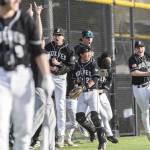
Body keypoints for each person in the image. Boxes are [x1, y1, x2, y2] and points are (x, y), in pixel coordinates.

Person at [0, 0, 54, 150]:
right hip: (2, 76)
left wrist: (47, 76)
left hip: (22, 77)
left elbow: (38, 49)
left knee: (23, 130)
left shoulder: (24, 20)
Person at [45, 27, 75, 148]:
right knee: (45, 104)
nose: (56, 36)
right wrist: (50, 68)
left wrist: (59, 66)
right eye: (55, 34)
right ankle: (45, 135)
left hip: (61, 79)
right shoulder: (48, 47)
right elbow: (42, 60)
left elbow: (71, 66)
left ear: (63, 37)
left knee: (60, 107)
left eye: (59, 35)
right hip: (48, 76)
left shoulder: (68, 49)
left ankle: (61, 136)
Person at [72, 46, 107, 150]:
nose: (89, 54)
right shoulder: (76, 65)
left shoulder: (93, 63)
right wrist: (77, 85)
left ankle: (102, 141)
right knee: (79, 118)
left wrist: (84, 86)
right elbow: (74, 79)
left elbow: (95, 78)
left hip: (92, 92)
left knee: (95, 117)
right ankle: (92, 131)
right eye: (86, 53)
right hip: (82, 94)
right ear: (81, 54)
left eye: (89, 52)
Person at [128, 40, 150, 141]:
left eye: (141, 47)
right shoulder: (133, 59)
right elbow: (134, 73)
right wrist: (147, 73)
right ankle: (148, 132)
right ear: (135, 49)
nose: (140, 49)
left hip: (148, 85)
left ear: (144, 48)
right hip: (139, 88)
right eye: (138, 47)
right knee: (145, 111)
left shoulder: (147, 56)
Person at [97, 52, 118, 144]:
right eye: (106, 61)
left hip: (102, 95)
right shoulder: (95, 68)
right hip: (93, 96)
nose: (109, 63)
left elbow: (106, 86)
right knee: (104, 117)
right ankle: (109, 135)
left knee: (109, 115)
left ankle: (100, 129)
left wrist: (101, 91)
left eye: (110, 61)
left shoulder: (108, 71)